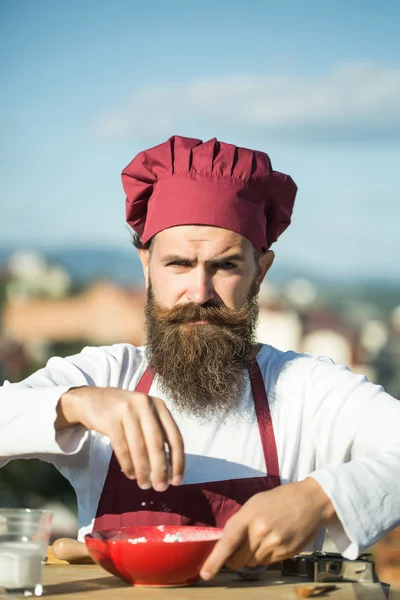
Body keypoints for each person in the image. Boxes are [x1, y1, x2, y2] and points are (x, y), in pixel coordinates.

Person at [1, 135, 400, 580]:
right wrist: (75, 403)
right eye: (178, 264)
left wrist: (320, 498)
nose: (200, 292)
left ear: (260, 273)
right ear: (146, 266)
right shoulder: (105, 374)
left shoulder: (307, 388)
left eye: (225, 266)